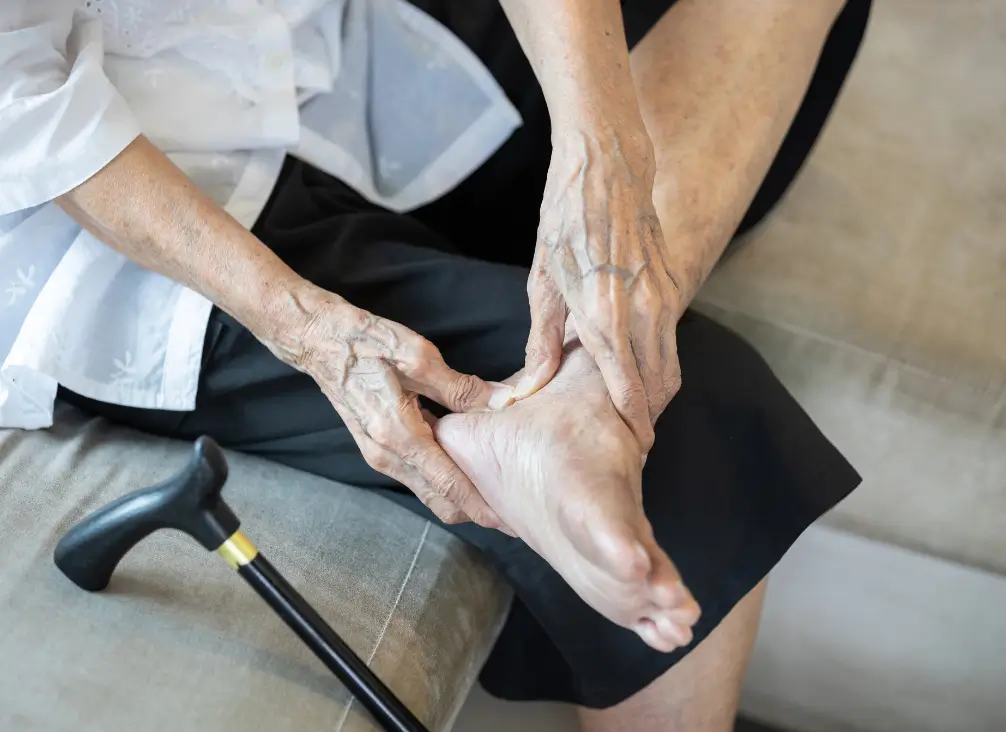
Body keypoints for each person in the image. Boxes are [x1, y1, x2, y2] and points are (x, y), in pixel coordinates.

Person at [0, 0, 871, 729]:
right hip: (124, 207)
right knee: (690, 433)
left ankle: (580, 386)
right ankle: (596, 382)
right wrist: (310, 330)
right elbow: (26, 104)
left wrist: (598, 143)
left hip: (330, 41)